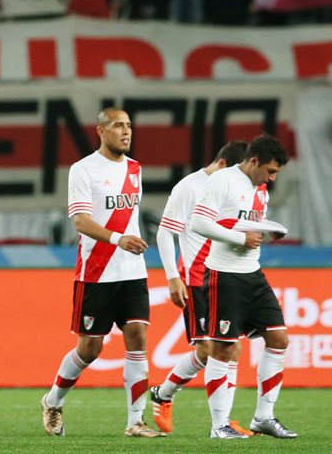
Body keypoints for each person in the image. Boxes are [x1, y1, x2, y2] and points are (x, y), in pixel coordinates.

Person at [41, 108, 162, 438]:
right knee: (90, 349)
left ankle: (135, 421)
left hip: (132, 272)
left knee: (137, 336)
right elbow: (80, 221)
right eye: (118, 126)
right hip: (95, 273)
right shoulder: (83, 170)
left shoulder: (135, 169)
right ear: (101, 131)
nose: (126, 132)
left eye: (129, 126)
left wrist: (128, 242)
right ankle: (53, 401)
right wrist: (117, 238)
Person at [189, 135, 296, 440]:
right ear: (253, 162)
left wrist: (267, 230)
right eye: (270, 171)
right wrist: (241, 239)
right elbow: (199, 223)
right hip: (224, 275)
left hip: (253, 274)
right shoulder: (223, 180)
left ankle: (264, 417)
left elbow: (246, 224)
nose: (272, 178)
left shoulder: (260, 189)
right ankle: (219, 425)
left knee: (279, 339)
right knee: (224, 348)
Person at [149, 141, 249, 435]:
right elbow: (166, 233)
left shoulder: (229, 188)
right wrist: (171, 277)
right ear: (221, 165)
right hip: (196, 280)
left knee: (231, 348)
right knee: (209, 348)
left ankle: (220, 420)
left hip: (227, 277)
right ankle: (166, 395)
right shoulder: (188, 187)